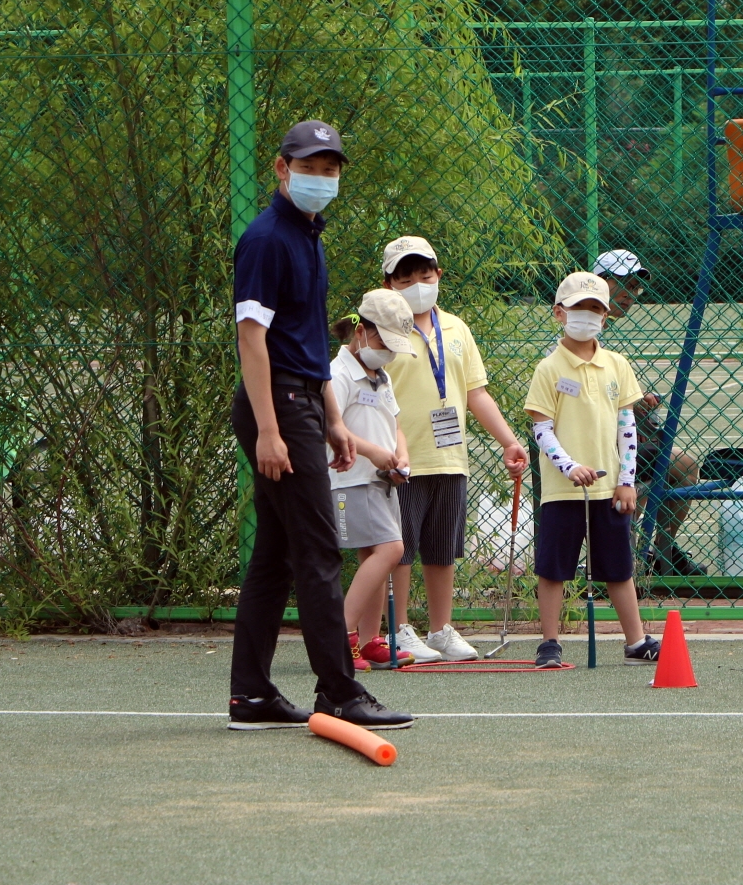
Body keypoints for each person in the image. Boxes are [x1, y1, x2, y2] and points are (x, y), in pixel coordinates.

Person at [227, 119, 413, 731]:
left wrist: (333, 418)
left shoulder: (309, 237)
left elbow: (308, 342)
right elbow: (251, 340)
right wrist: (269, 429)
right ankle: (338, 691)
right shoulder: (266, 239)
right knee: (316, 550)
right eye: (308, 167)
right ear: (282, 169)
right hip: (277, 405)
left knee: (276, 555)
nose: (320, 178)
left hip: (304, 399)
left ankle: (252, 696)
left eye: (329, 169)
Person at [380, 236, 530, 663]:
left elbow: (475, 393)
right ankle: (399, 630)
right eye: (405, 279)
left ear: (438, 275)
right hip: (399, 459)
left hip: (449, 458)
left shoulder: (456, 328)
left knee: (443, 548)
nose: (417, 285)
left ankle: (441, 630)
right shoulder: (380, 331)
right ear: (388, 284)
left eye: (424, 275)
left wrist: (509, 441)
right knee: (399, 549)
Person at [523, 272, 662, 669]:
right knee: (553, 568)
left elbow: (627, 428)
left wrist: (626, 481)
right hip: (563, 489)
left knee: (618, 566)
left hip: (608, 489)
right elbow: (542, 429)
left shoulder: (617, 365)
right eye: (578, 308)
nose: (587, 315)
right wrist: (569, 467)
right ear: (559, 313)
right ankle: (549, 642)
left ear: (605, 316)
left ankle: (635, 641)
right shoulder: (548, 369)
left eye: (595, 309)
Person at [591, 249, 706, 577]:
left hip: (619, 439)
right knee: (654, 473)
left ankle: (660, 554)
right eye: (623, 284)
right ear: (600, 282)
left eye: (635, 288)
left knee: (680, 465)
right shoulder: (579, 329)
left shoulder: (602, 333)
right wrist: (627, 404)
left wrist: (636, 402)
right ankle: (627, 556)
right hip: (590, 446)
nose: (630, 295)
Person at [328, 288, 417, 670]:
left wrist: (401, 456)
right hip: (352, 480)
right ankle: (340, 635)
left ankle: (369, 640)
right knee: (391, 550)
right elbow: (329, 428)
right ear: (361, 332)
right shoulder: (337, 374)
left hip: (382, 480)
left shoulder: (381, 377)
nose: (389, 354)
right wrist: (373, 453)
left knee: (375, 554)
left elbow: (395, 426)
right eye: (384, 344)